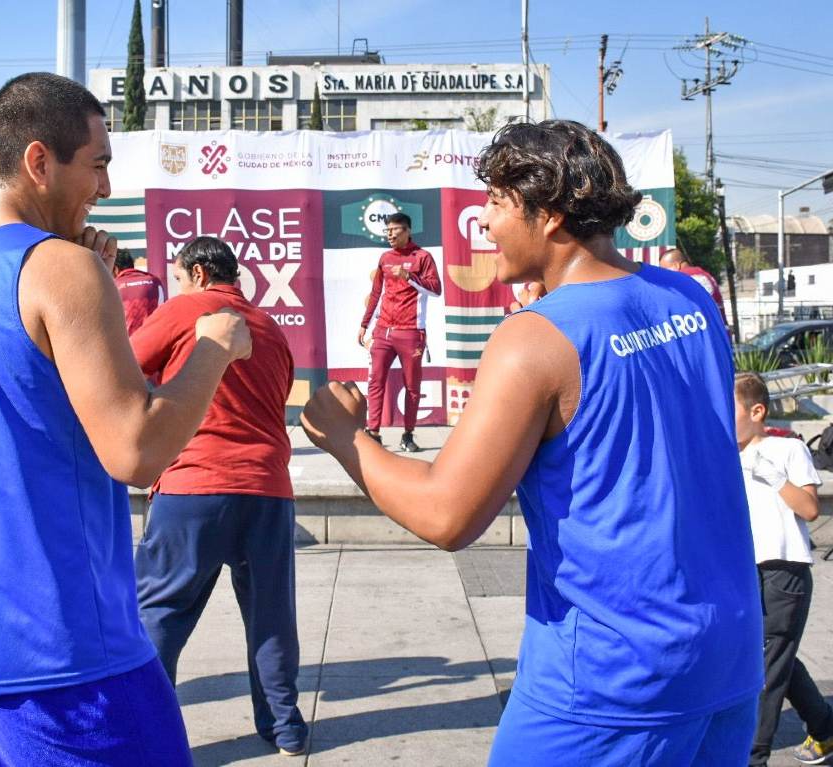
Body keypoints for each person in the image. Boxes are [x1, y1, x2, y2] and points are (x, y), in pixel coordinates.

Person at [302, 120, 763, 765]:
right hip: (728, 657)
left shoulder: (538, 339)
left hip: (609, 685)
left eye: (495, 201)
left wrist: (348, 439)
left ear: (547, 215)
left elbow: (447, 513)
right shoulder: (687, 295)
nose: (483, 222)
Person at [0, 72, 250, 766]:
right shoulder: (59, 269)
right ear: (37, 161)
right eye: (99, 163)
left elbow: (6, 420)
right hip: (61, 664)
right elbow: (137, 447)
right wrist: (212, 349)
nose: (106, 189)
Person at [130, 236, 308, 757]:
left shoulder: (186, 310)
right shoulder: (270, 328)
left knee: (159, 615)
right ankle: (285, 728)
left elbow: (127, 364)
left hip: (194, 484)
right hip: (268, 490)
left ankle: (145, 732)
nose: (178, 288)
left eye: (180, 278)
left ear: (201, 274)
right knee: (272, 616)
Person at [734, 373, 833, 766]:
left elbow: (810, 509)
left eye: (730, 409)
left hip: (784, 570)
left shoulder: (787, 449)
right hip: (744, 570)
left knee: (767, 667)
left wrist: (775, 477)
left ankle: (752, 756)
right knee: (777, 657)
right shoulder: (728, 455)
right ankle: (824, 728)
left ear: (757, 411)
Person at [358, 212, 441, 452]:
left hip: (411, 332)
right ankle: (373, 432)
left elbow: (436, 290)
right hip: (383, 330)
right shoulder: (385, 258)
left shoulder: (422, 257)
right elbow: (376, 293)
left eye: (395, 230)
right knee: (375, 381)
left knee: (412, 387)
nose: (390, 235)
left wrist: (410, 277)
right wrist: (364, 324)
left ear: (407, 231)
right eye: (387, 231)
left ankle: (408, 434)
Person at [658, 247, 729, 326]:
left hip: (704, 333)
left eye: (665, 270)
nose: (665, 274)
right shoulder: (704, 275)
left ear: (676, 265)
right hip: (719, 329)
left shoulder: (681, 279)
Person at [114, 247, 166, 335]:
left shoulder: (114, 286)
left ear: (115, 269)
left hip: (126, 343)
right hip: (154, 340)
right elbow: (162, 312)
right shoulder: (155, 281)